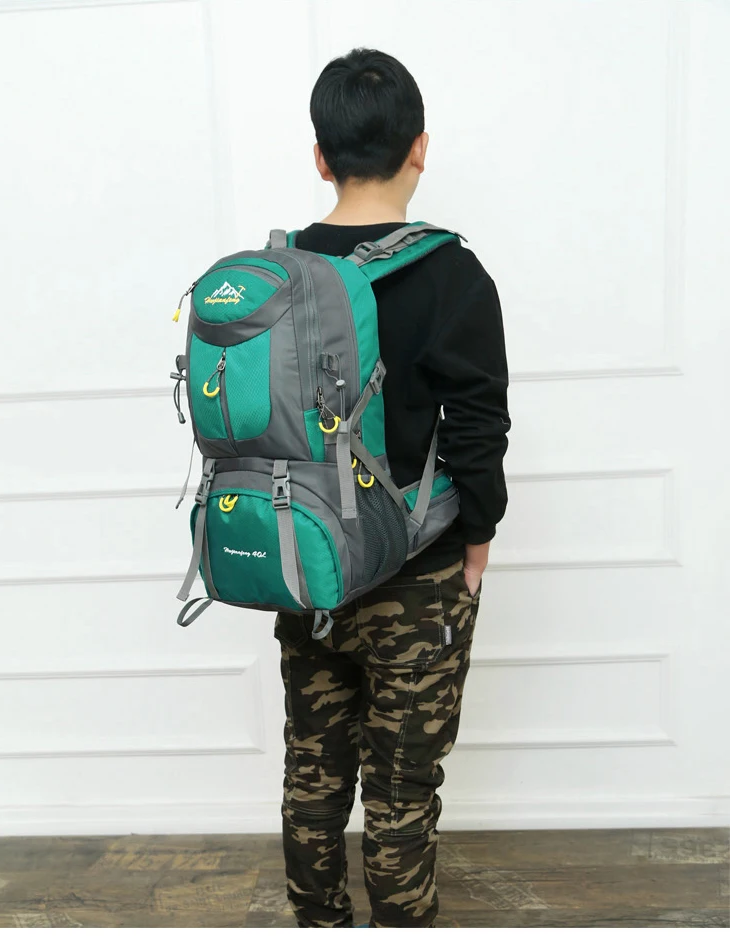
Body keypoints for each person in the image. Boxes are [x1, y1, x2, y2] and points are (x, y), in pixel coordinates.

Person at [273, 47, 511, 929]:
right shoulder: (452, 274)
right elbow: (478, 429)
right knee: (402, 787)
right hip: (416, 574)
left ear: (320, 156)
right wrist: (478, 541)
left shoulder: (281, 272)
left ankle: (318, 923)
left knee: (313, 771)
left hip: (308, 568)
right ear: (420, 149)